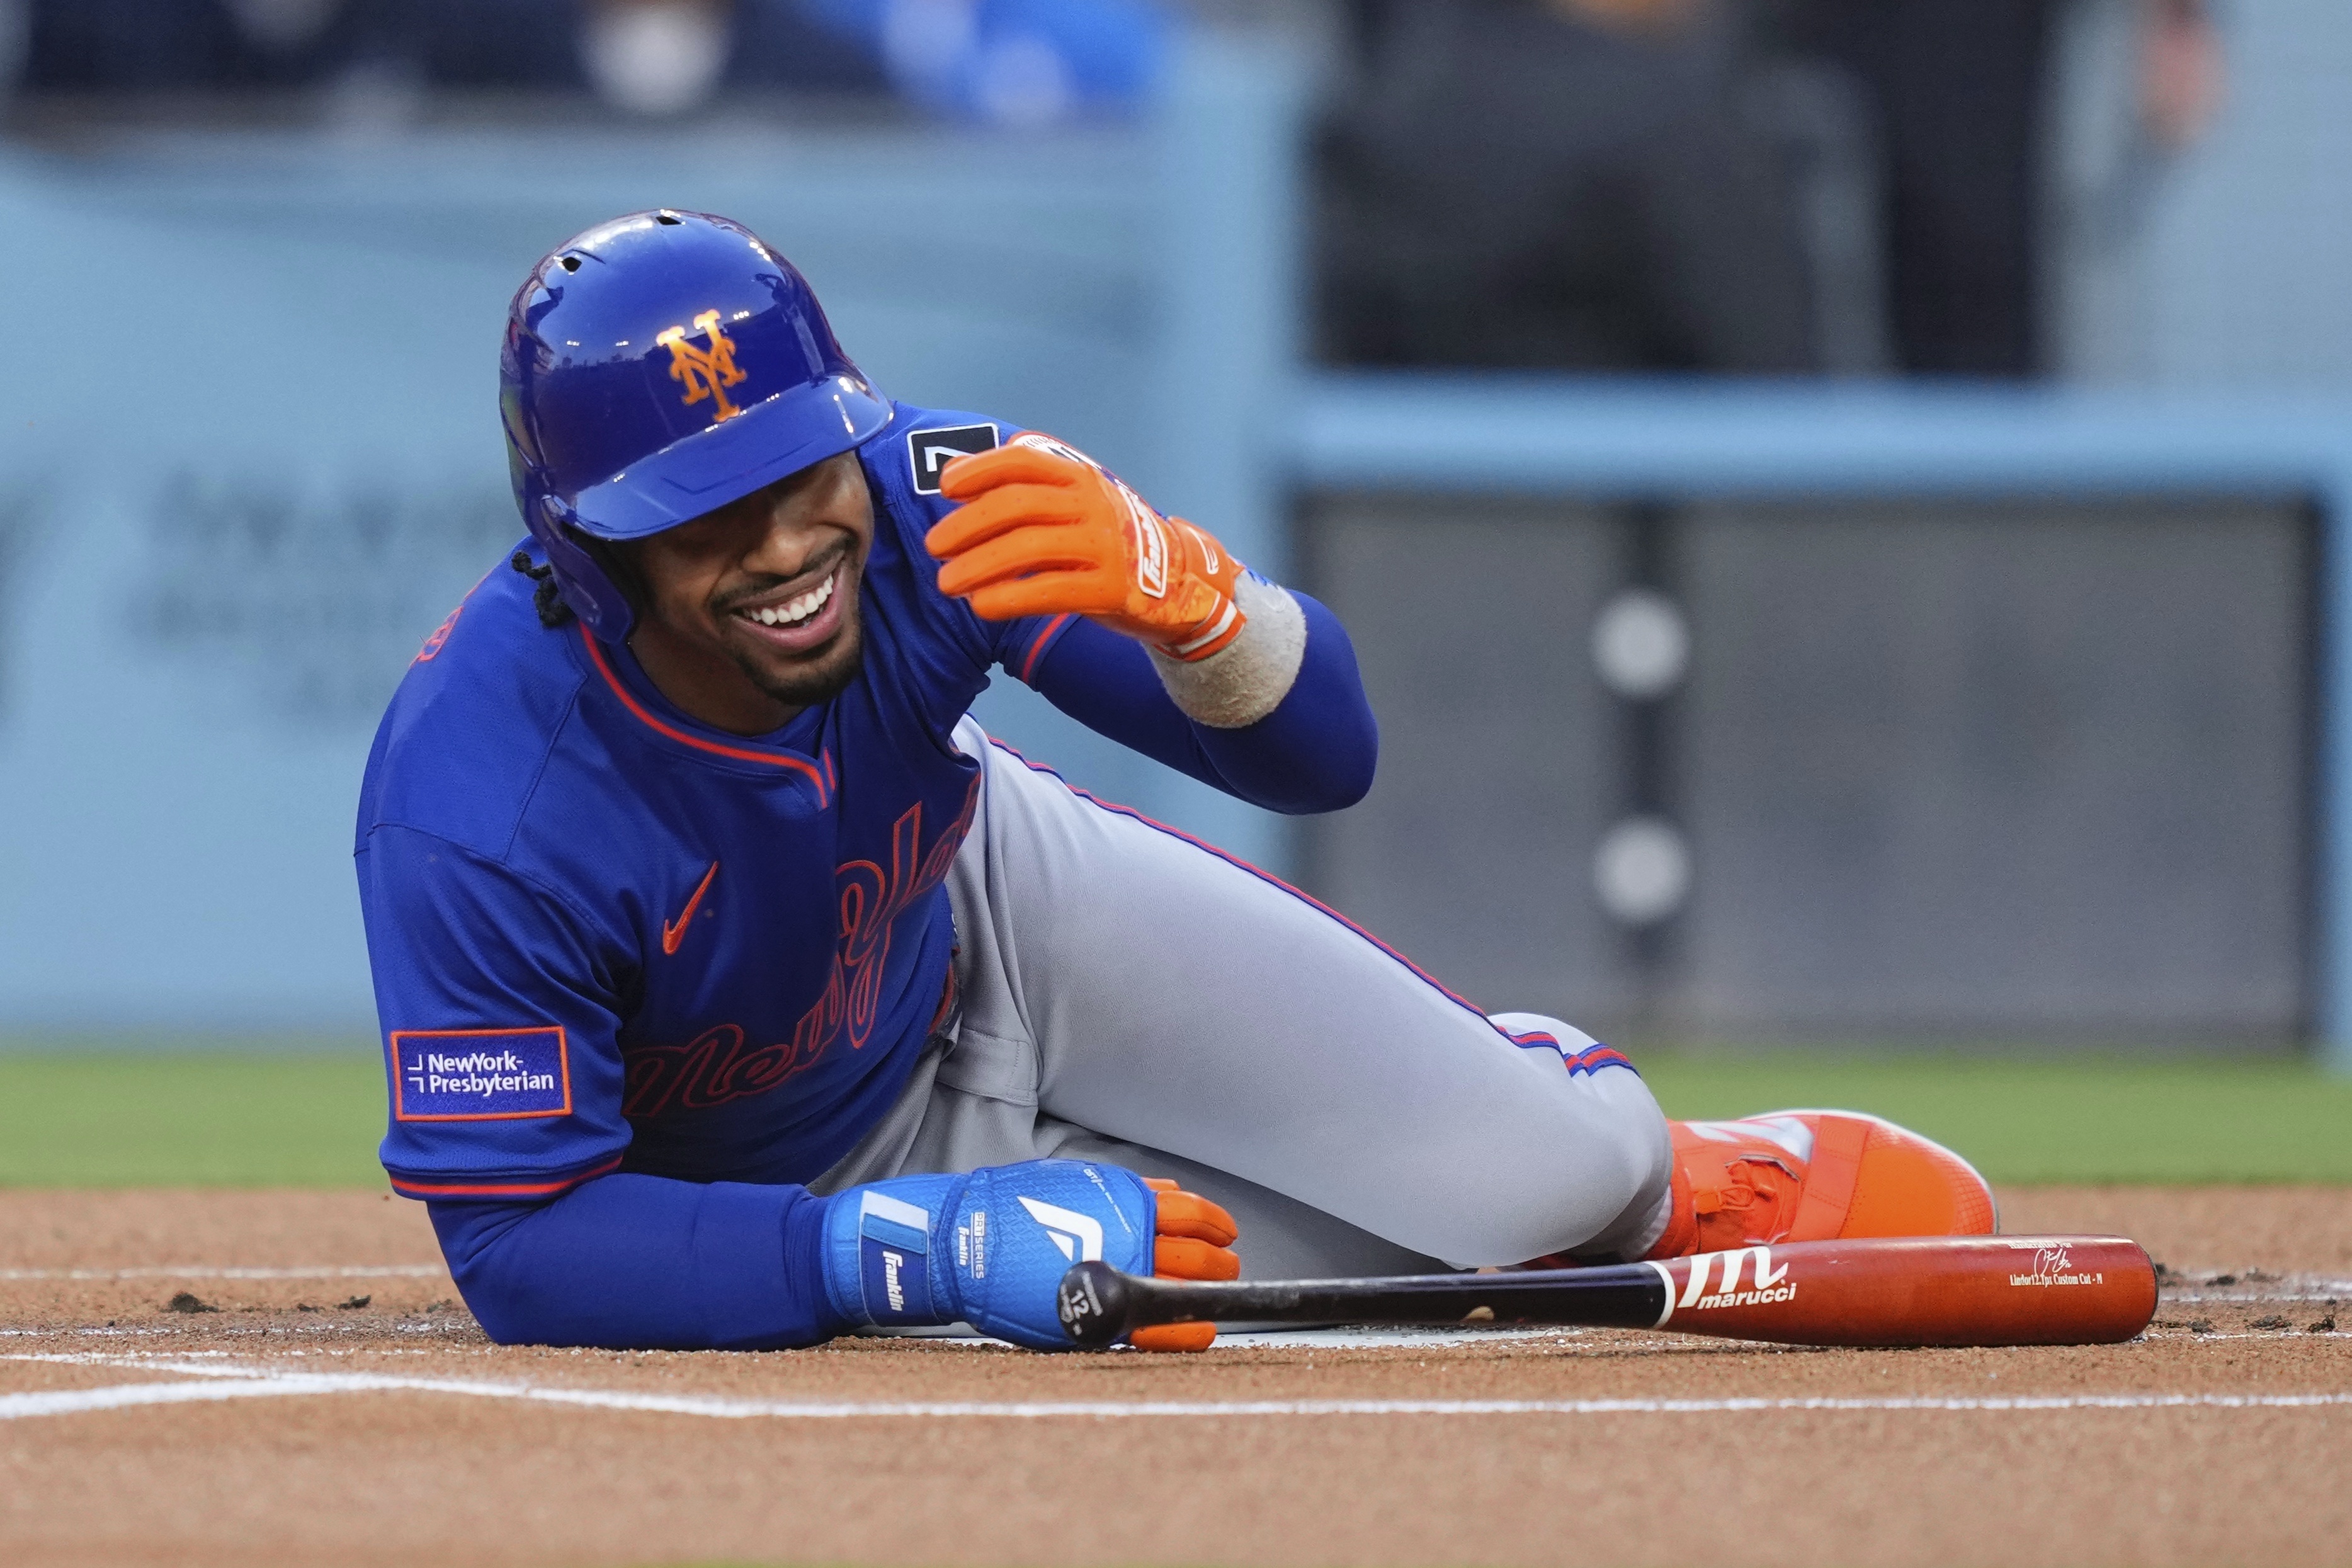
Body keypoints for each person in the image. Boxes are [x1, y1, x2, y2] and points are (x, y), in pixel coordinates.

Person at [355, 209, 1996, 1353]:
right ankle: (1525, 1207)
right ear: (583, 544)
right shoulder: (475, 800)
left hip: (1001, 912)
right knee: (1455, 1282)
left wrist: (1208, 613)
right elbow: (520, 1241)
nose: (785, 542)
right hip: (816, 1173)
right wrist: (891, 1256)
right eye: (702, 513)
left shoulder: (931, 501)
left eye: (796, 469)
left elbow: (1321, 759)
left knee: (1547, 1190)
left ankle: (1649, 1157)